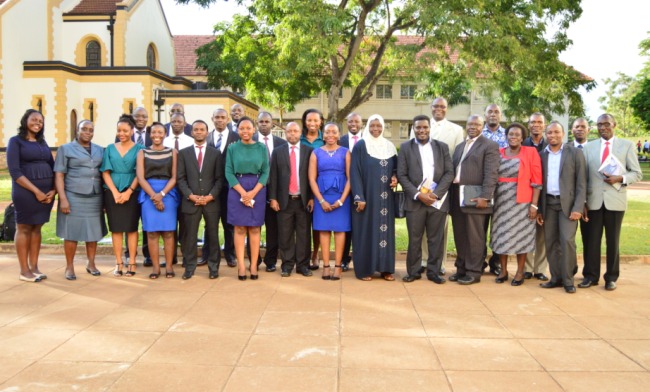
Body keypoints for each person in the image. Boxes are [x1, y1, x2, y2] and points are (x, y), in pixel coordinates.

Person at [580, 114, 642, 291]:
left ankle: (611, 277)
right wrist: (583, 201)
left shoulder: (627, 145)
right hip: (593, 202)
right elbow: (583, 178)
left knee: (613, 241)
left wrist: (620, 178)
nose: (602, 127)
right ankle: (590, 276)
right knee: (591, 241)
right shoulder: (588, 147)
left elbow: (636, 173)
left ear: (614, 124)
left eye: (606, 124)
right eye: (599, 125)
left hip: (615, 200)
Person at [398, 115, 454, 284]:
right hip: (415, 201)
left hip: (437, 201)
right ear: (413, 129)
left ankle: (434, 272)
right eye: (418, 128)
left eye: (425, 127)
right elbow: (401, 174)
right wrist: (418, 194)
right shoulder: (406, 148)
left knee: (436, 239)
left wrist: (436, 194)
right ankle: (413, 272)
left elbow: (449, 173)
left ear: (430, 128)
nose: (422, 130)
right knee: (414, 239)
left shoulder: (441, 147)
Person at [449, 115, 500, 285]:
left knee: (475, 236)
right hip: (457, 195)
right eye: (470, 124)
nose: (473, 127)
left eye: (477, 124)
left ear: (482, 126)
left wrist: (485, 196)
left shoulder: (489, 146)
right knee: (460, 235)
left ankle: (474, 271)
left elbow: (491, 173)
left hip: (476, 196)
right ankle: (461, 268)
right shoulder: (460, 147)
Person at [489, 123, 542, 286]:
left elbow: (537, 181)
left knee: (522, 235)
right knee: (501, 235)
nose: (513, 137)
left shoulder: (531, 152)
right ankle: (503, 270)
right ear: (506, 136)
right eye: (510, 134)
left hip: (522, 201)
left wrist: (534, 205)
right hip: (500, 201)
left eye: (517, 134)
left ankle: (520, 272)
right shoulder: (498, 152)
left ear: (523, 137)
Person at [537, 122, 586, 293]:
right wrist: (539, 209)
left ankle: (568, 280)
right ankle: (555, 278)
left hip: (568, 205)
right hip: (548, 204)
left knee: (567, 241)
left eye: (556, 132)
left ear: (563, 134)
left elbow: (581, 183)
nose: (553, 135)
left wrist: (578, 208)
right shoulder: (541, 154)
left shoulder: (575, 153)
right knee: (551, 243)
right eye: (549, 133)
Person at [54, 120, 106, 280]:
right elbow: (59, 174)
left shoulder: (100, 150)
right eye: (84, 129)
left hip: (95, 196)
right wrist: (62, 198)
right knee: (71, 233)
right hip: (73, 196)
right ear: (77, 130)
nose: (88, 132)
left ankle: (91, 263)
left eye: (91, 130)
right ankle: (69, 267)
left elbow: (103, 173)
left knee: (93, 232)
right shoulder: (65, 149)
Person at [7, 109, 55, 282]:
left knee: (37, 228)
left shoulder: (42, 142)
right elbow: (14, 171)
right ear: (25, 120)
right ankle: (24, 270)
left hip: (46, 193)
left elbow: (53, 165)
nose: (37, 123)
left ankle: (34, 267)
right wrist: (37, 192)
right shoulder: (16, 142)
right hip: (25, 192)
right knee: (24, 227)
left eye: (41, 121)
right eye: (34, 119)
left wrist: (53, 190)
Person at [350, 115, 398, 281]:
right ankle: (365, 269)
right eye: (372, 125)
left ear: (383, 127)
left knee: (385, 232)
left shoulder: (390, 146)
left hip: (386, 200)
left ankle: (385, 268)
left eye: (379, 125)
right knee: (366, 232)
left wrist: (395, 177)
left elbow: (396, 169)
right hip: (367, 198)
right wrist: (359, 197)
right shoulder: (361, 146)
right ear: (367, 126)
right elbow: (354, 172)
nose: (375, 129)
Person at [177, 120, 224, 280]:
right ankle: (189, 267)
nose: (198, 132)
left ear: (207, 132)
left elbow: (219, 179)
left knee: (212, 235)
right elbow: (180, 178)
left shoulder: (215, 153)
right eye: (196, 129)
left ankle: (213, 268)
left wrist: (210, 197)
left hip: (211, 203)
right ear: (192, 132)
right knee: (190, 237)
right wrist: (191, 196)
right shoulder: (183, 153)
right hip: (191, 202)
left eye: (202, 129)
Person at [225, 116, 270, 281]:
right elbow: (228, 172)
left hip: (257, 188)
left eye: (248, 128)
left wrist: (252, 192)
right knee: (239, 229)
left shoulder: (261, 147)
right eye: (241, 128)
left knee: (255, 228)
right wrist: (243, 192)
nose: (245, 131)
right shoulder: (232, 148)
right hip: (237, 187)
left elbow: (266, 171)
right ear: (237, 130)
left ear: (254, 129)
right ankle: (241, 266)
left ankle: (253, 266)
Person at [101, 114, 145, 277]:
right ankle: (119, 262)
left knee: (132, 228)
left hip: (132, 192)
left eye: (125, 130)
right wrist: (115, 192)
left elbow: (140, 174)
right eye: (119, 130)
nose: (122, 133)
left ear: (132, 131)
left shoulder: (140, 149)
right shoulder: (110, 148)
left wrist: (128, 192)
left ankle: (132, 261)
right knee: (116, 229)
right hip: (112, 192)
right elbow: (105, 172)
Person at [269, 122, 314, 277]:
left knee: (304, 234)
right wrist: (273, 198)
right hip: (284, 200)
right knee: (285, 234)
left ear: (301, 133)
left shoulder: (309, 151)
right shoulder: (277, 152)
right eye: (289, 131)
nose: (292, 134)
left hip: (303, 200)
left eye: (295, 131)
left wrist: (312, 198)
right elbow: (273, 176)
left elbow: (313, 177)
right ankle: (287, 265)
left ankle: (303, 265)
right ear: (285, 133)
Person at [136, 122, 180, 279]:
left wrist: (161, 194)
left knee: (169, 232)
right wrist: (155, 196)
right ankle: (155, 268)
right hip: (148, 193)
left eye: (160, 132)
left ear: (165, 133)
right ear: (149, 134)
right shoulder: (143, 152)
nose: (156, 135)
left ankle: (169, 267)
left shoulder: (172, 152)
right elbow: (140, 178)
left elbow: (175, 177)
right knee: (152, 233)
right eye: (153, 132)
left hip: (168, 192)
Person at [309, 122, 351, 281]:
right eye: (327, 132)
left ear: (339, 134)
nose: (330, 135)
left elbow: (350, 178)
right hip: (322, 198)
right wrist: (320, 200)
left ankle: (338, 266)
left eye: (334, 132)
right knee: (324, 230)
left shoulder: (346, 153)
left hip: (341, 197)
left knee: (340, 231)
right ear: (323, 134)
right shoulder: (316, 153)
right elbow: (312, 179)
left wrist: (341, 200)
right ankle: (326, 266)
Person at [205, 108, 240, 267]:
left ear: (227, 119)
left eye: (222, 117)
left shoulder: (236, 137)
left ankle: (230, 254)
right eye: (216, 117)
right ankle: (207, 254)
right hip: (210, 187)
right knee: (209, 223)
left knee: (229, 223)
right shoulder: (206, 137)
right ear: (212, 118)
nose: (219, 120)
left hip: (229, 187)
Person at [255, 111, 287, 272]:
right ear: (257, 123)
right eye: (261, 121)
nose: (264, 124)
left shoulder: (281, 143)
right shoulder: (249, 141)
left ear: (272, 123)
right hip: (253, 191)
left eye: (267, 121)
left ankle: (271, 260)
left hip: (274, 191)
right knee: (253, 226)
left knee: (273, 228)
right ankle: (254, 260)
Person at [163, 112, 195, 267]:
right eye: (173, 121)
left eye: (179, 121)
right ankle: (171, 257)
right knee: (169, 224)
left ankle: (186, 257)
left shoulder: (190, 141)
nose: (176, 123)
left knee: (185, 224)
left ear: (184, 123)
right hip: (167, 188)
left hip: (186, 187)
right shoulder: (164, 140)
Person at [522, 113, 548, 281]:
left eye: (539, 122)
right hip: (526, 194)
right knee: (526, 231)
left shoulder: (551, 144)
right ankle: (527, 268)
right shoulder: (522, 144)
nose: (536, 125)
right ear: (529, 125)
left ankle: (539, 268)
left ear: (544, 126)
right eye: (533, 122)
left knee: (542, 234)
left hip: (546, 194)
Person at [481, 104, 506, 276]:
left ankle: (496, 262)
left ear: (501, 115)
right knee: (480, 226)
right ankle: (479, 260)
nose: (493, 114)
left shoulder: (508, 134)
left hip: (503, 188)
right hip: (481, 186)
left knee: (499, 226)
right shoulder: (478, 133)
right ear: (485, 115)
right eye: (490, 111)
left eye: (496, 112)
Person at [126, 106, 152, 267]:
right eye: (137, 116)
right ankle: (130, 254)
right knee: (129, 221)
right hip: (130, 185)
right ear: (132, 118)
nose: (141, 119)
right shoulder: (124, 135)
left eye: (144, 116)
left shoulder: (153, 135)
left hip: (149, 185)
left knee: (147, 222)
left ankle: (148, 254)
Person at [300, 108, 325, 270]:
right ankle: (302, 255)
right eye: (309, 120)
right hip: (300, 186)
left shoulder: (325, 140)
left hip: (319, 187)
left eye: (316, 120)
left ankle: (315, 254)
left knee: (317, 224)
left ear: (321, 122)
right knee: (302, 225)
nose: (312, 123)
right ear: (304, 122)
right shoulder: (298, 138)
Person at [338, 112, 363, 272]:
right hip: (344, 189)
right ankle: (344, 259)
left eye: (356, 121)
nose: (353, 124)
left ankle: (361, 259)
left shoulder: (367, 140)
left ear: (361, 123)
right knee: (346, 226)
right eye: (350, 121)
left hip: (363, 189)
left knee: (361, 226)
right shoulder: (341, 141)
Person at [571, 118, 590, 275]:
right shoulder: (564, 148)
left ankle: (589, 273)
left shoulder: (595, 149)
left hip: (592, 202)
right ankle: (570, 269)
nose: (580, 129)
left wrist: (584, 201)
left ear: (588, 130)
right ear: (572, 130)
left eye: (583, 126)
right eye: (576, 126)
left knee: (589, 239)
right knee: (567, 239)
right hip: (568, 202)